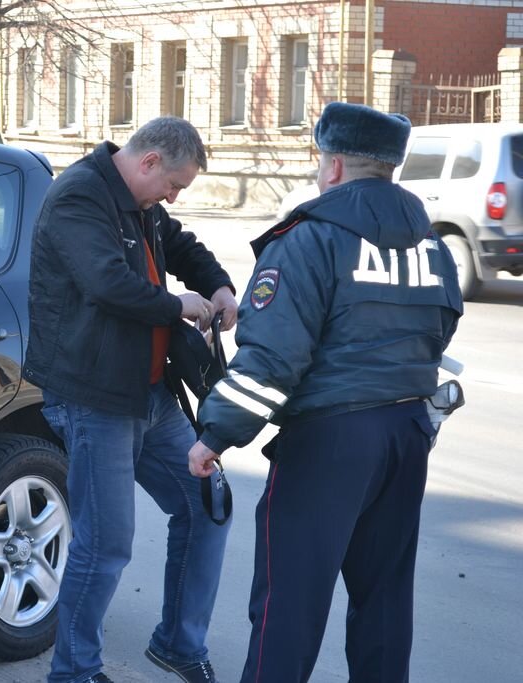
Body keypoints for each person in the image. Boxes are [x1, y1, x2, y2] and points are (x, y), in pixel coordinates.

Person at [188, 101, 463, 683]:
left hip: (330, 441)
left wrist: (216, 434)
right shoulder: (431, 245)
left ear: (334, 166)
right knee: (385, 600)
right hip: (407, 433)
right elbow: (441, 330)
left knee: (290, 600)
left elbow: (272, 359)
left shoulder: (312, 238)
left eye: (321, 162)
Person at [24, 116, 238, 683]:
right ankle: (74, 672)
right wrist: (180, 306)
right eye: (173, 185)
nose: (172, 197)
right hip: (94, 395)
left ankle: (177, 643)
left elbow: (182, 245)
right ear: (148, 163)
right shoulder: (79, 196)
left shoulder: (138, 203)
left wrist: (218, 286)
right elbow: (106, 283)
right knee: (106, 542)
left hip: (149, 392)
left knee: (207, 505)